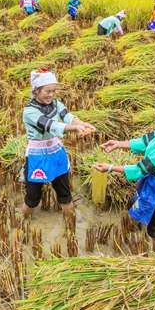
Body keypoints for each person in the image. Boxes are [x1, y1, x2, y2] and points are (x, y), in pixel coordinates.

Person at [94, 86, 155, 255]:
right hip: (153, 182)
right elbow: (145, 141)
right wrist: (118, 143)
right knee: (137, 204)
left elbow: (140, 170)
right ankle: (138, 225)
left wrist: (109, 168)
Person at [22, 69, 96, 220]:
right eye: (47, 91)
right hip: (37, 156)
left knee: (65, 194)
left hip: (56, 152)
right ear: (36, 91)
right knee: (32, 199)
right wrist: (74, 128)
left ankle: (70, 227)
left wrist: (81, 123)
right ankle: (24, 224)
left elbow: (67, 117)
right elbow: (50, 125)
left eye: (53, 91)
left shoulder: (56, 104)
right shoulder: (29, 112)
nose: (51, 95)